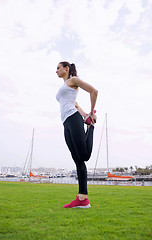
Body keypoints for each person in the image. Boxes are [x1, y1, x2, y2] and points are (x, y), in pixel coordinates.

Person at [56, 61, 98, 208]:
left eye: (58, 68)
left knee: (84, 156)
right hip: (66, 122)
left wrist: (92, 113)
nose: (56, 71)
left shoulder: (73, 80)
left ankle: (91, 128)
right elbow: (75, 105)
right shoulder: (65, 86)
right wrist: (85, 113)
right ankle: (82, 199)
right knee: (78, 160)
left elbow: (94, 91)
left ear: (66, 68)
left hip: (73, 119)